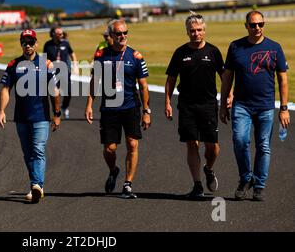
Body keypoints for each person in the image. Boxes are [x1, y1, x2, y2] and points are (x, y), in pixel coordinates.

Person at [220, 11, 290, 202]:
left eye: (260, 24)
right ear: (246, 26)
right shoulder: (235, 47)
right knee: (240, 141)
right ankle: (245, 178)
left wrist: (284, 108)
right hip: (241, 105)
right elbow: (227, 77)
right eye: (253, 25)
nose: (257, 28)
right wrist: (223, 104)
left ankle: (259, 185)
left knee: (264, 146)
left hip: (266, 106)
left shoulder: (275, 48)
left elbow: (283, 79)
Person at [85, 19, 151, 199]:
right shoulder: (101, 55)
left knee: (132, 143)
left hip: (131, 107)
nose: (123, 36)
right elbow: (94, 82)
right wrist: (89, 104)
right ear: (111, 36)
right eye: (118, 34)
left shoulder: (135, 56)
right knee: (110, 149)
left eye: (125, 33)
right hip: (109, 109)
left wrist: (146, 111)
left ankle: (128, 184)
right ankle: (113, 170)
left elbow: (143, 86)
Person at [165, 13, 227, 199]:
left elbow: (224, 76)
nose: (196, 33)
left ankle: (208, 168)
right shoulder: (180, 52)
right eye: (192, 30)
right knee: (192, 144)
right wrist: (167, 102)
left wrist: (228, 96)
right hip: (187, 105)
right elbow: (171, 79)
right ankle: (197, 184)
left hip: (208, 105)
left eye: (199, 30)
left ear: (204, 31)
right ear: (187, 32)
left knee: (213, 147)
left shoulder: (213, 51)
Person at [0, 29, 61, 204]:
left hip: (41, 117)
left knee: (38, 150)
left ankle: (36, 185)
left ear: (36, 44)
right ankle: (36, 184)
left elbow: (54, 91)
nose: (28, 45)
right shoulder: (13, 65)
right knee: (28, 154)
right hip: (21, 118)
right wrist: (1, 111)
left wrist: (57, 114)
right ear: (21, 44)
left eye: (31, 42)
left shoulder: (46, 64)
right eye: (25, 42)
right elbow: (5, 89)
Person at [43, 27, 78, 119]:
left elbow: (72, 54)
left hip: (64, 71)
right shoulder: (48, 44)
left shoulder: (65, 43)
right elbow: (44, 58)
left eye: (62, 33)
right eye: (59, 34)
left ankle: (64, 107)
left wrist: (75, 66)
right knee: (54, 92)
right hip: (52, 72)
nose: (61, 35)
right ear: (53, 34)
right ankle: (55, 111)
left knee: (69, 92)